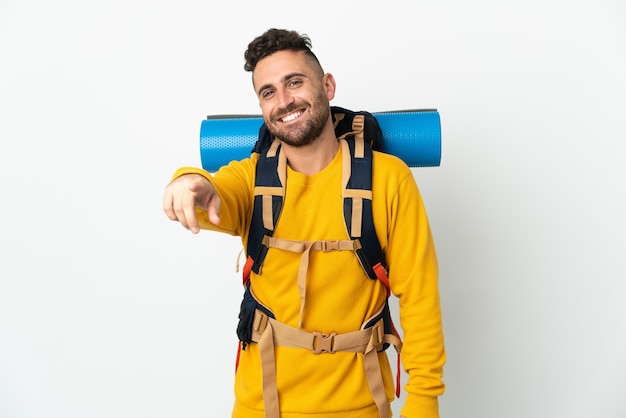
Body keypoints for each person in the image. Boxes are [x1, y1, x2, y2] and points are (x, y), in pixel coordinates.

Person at [163, 28, 445, 418]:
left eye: (294, 82)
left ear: (327, 86)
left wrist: (424, 403)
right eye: (267, 92)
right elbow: (213, 190)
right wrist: (189, 180)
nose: (283, 101)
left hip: (360, 405)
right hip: (260, 405)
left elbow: (420, 300)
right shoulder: (252, 179)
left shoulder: (388, 179)